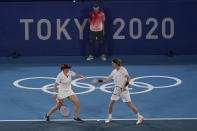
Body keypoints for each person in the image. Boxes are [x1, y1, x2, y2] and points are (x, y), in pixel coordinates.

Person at [91, 58, 144, 124]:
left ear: (116, 64)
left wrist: (124, 86)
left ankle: (140, 117)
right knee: (111, 103)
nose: (112, 64)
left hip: (124, 91)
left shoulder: (123, 70)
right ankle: (110, 118)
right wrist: (98, 81)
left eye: (113, 63)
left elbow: (128, 79)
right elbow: (107, 79)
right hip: (116, 90)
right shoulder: (114, 71)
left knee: (129, 104)